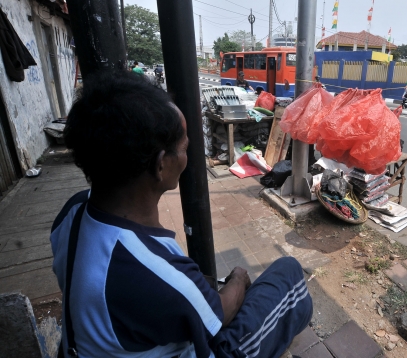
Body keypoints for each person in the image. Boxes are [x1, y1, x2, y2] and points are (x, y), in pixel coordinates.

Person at [52, 72, 312, 357]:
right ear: (161, 165)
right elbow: (220, 313)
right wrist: (238, 279)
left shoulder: (72, 213)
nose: (188, 157)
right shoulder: (155, 271)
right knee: (289, 272)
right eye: (186, 148)